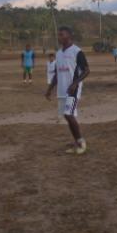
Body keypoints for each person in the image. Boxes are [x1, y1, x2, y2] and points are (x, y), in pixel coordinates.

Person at [45, 26, 90, 155]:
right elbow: (57, 74)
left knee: (68, 114)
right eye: (58, 35)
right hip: (61, 90)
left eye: (62, 35)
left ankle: (81, 142)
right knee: (69, 116)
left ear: (69, 36)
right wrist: (49, 89)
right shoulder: (58, 53)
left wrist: (75, 83)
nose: (59, 37)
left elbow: (87, 70)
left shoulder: (77, 52)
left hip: (73, 90)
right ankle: (77, 142)